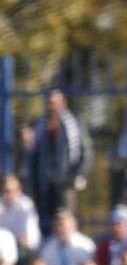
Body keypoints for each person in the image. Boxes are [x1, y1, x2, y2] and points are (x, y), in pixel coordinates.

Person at [21, 90, 86, 231]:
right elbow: (31, 154)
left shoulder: (72, 123)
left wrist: (74, 174)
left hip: (65, 181)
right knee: (44, 221)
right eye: (49, 102)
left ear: (63, 103)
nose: (52, 106)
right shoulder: (38, 124)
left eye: (55, 102)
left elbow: (84, 151)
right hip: (43, 182)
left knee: (64, 220)